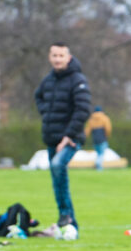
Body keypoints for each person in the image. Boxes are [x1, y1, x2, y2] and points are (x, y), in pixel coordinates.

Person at [34, 42, 91, 232]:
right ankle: (70, 223)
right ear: (50, 57)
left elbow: (83, 110)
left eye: (61, 55)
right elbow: (38, 97)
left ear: (68, 57)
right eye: (54, 55)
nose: (57, 59)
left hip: (71, 138)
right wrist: (46, 113)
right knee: (56, 180)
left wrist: (68, 135)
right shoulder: (48, 80)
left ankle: (65, 215)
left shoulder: (77, 80)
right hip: (52, 138)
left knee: (59, 166)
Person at [84, 106, 112, 170]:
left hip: (95, 139)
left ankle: (98, 165)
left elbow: (87, 130)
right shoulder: (105, 118)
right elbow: (108, 129)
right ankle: (98, 164)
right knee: (102, 153)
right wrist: (107, 135)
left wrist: (84, 137)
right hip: (102, 138)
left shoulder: (91, 119)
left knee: (98, 153)